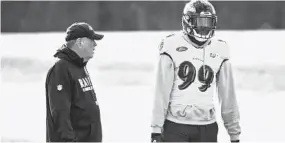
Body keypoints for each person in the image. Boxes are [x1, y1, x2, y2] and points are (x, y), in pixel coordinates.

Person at [150, 0, 241, 142]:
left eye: (208, 22)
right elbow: (161, 91)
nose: (204, 27)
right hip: (176, 125)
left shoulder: (220, 49)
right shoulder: (171, 45)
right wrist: (156, 128)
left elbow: (228, 95)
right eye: (200, 22)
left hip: (207, 126)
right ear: (188, 22)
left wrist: (234, 132)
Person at [45, 22, 104, 142]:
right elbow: (60, 115)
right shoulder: (61, 70)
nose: (95, 44)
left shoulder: (80, 66)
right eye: (91, 40)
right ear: (80, 42)